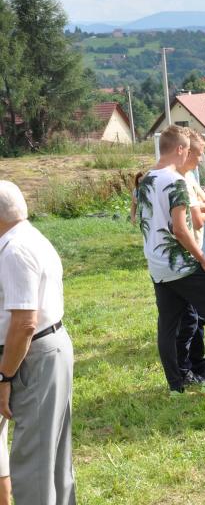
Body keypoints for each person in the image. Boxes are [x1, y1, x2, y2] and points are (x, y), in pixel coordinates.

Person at [136, 125, 205, 396]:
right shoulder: (176, 181)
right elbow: (180, 229)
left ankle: (175, 387)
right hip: (181, 264)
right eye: (187, 151)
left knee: (167, 325)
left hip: (157, 265)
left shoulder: (145, 179)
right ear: (181, 149)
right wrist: (202, 257)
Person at [0, 181, 76, 505]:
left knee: (33, 464)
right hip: (46, 349)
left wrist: (4, 377)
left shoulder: (15, 250)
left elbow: (24, 322)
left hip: (32, 355)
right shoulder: (29, 238)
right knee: (53, 460)